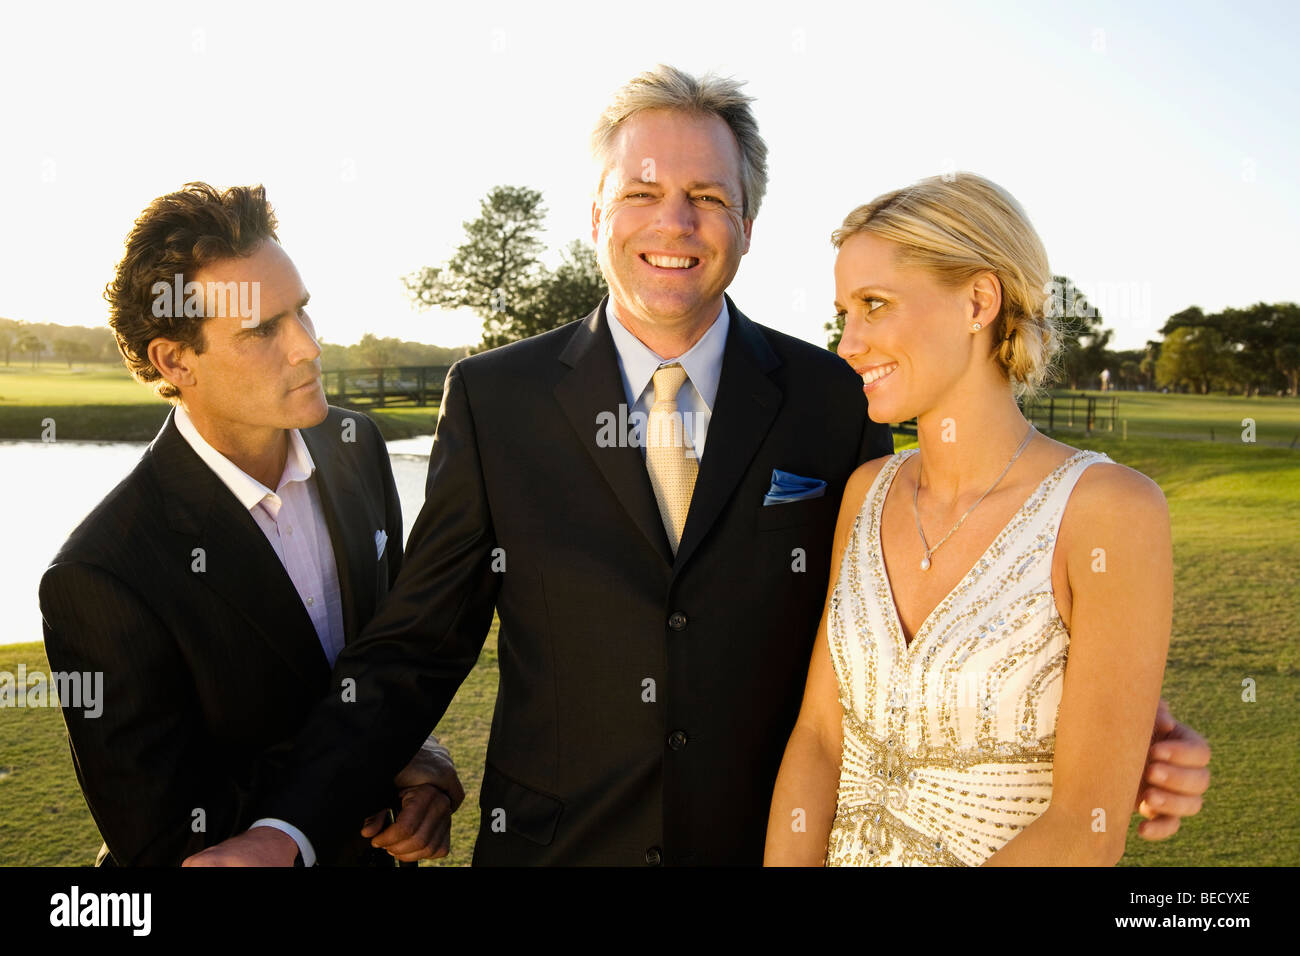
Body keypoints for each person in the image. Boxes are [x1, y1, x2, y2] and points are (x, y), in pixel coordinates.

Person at [188, 67, 1208, 868]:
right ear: (595, 215)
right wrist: (288, 825)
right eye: (641, 192)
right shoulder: (494, 399)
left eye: (706, 195)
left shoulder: (833, 399)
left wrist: (1120, 740)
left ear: (746, 226)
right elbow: (414, 646)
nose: (672, 222)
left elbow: (900, 635)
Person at [39, 183, 463, 866]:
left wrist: (424, 768)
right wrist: (383, 765)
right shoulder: (99, 575)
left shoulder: (357, 447)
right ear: (176, 361)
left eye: (301, 312)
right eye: (263, 331)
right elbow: (165, 832)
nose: (307, 347)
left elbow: (390, 659)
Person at [765, 174, 1179, 865]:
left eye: (875, 306)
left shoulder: (1109, 511)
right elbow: (819, 740)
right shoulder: (866, 492)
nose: (849, 344)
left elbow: (1087, 827)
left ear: (979, 301)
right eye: (845, 313)